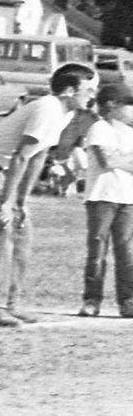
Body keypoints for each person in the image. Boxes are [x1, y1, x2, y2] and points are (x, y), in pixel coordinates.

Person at [0, 60, 98, 329]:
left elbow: (38, 156)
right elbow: (21, 157)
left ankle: (10, 304)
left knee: (21, 228)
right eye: (88, 90)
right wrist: (6, 202)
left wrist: (20, 201)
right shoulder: (48, 108)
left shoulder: (65, 113)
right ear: (69, 91)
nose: (92, 95)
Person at [77, 80, 133, 317]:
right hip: (101, 197)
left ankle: (127, 300)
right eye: (127, 105)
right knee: (97, 249)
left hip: (127, 198)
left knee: (126, 251)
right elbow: (105, 162)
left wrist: (119, 159)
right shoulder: (99, 128)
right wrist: (125, 160)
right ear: (112, 105)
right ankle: (92, 299)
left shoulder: (129, 133)